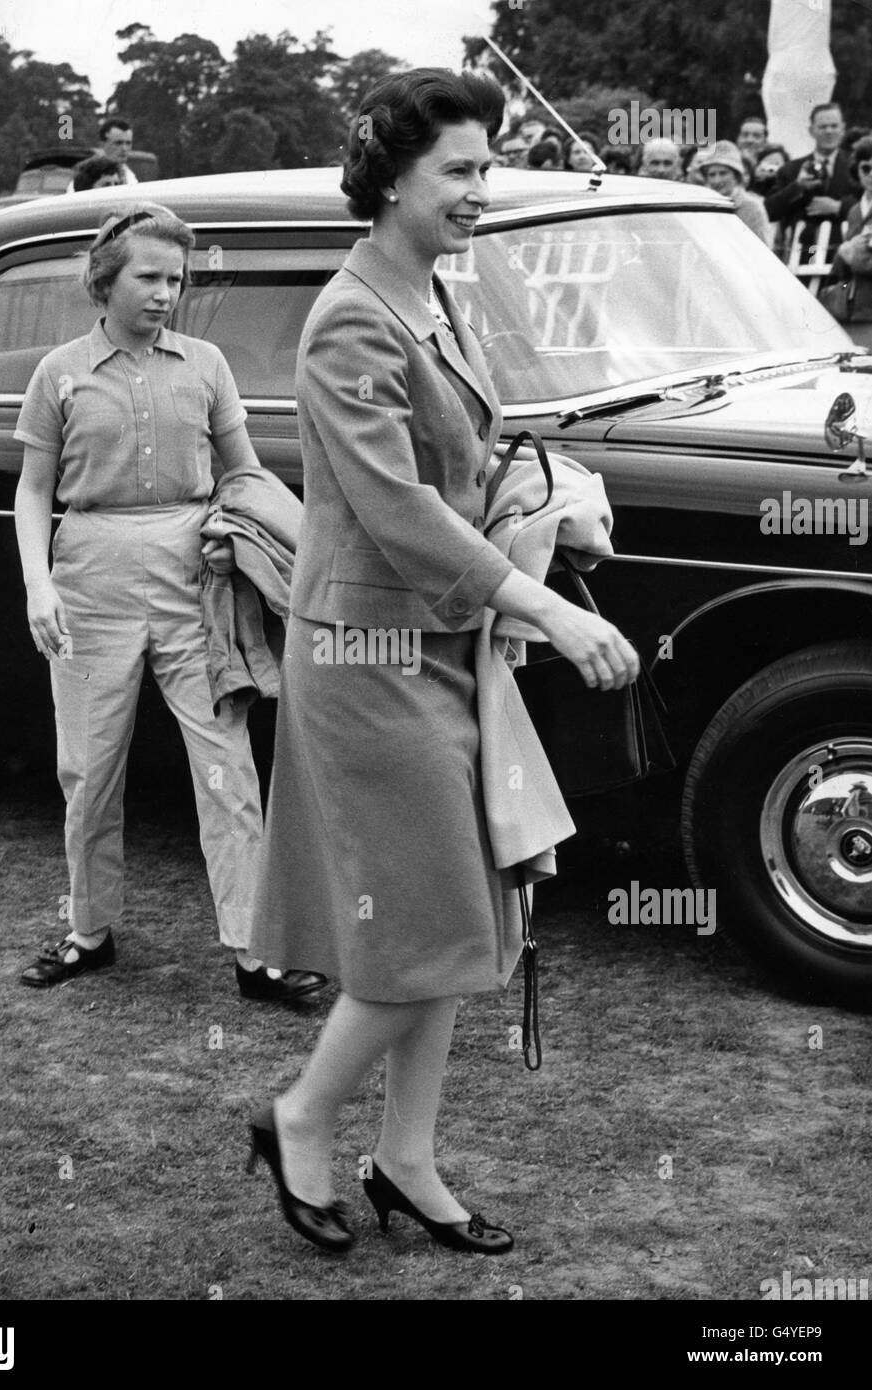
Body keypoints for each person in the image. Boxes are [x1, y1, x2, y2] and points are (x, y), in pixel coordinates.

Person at [244, 69, 639, 1255]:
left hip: (442, 648)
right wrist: (552, 614)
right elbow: (400, 509)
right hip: (368, 656)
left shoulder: (431, 296)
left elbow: (466, 465)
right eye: (459, 171)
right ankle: (301, 1115)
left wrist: (549, 500)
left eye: (486, 167)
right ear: (393, 179)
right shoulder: (354, 315)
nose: (481, 190)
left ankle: (405, 1155)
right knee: (424, 923)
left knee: (462, 920)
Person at [13, 202, 325, 1006]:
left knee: (227, 764)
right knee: (88, 769)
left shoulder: (207, 365)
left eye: (176, 279)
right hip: (89, 578)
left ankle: (256, 952)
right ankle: (89, 933)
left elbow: (246, 473)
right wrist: (37, 586)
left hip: (195, 585)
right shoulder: (59, 372)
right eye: (148, 277)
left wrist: (244, 533)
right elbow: (33, 490)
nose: (163, 293)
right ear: (104, 281)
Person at [765, 102, 854, 264]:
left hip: (843, 259)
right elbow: (769, 211)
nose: (829, 131)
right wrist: (797, 186)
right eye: (823, 127)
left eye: (834, 126)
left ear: (843, 129)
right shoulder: (790, 170)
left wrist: (839, 207)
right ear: (811, 131)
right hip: (799, 258)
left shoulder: (858, 166)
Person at [821, 135, 872, 346]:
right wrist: (844, 253)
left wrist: (853, 256)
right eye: (866, 168)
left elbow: (857, 260)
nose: (871, 175)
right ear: (857, 171)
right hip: (853, 307)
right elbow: (840, 268)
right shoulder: (854, 211)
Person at [698, 141, 772, 247]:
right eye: (712, 174)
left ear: (736, 176)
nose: (717, 180)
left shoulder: (752, 208)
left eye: (723, 173)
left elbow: (763, 251)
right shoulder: (703, 206)